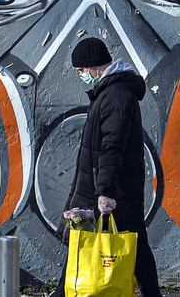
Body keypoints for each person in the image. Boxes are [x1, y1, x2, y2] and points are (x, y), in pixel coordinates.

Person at [51, 37, 162, 297]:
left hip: (111, 193)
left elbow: (113, 147)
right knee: (87, 243)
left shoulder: (116, 97)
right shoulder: (110, 93)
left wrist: (105, 193)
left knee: (129, 249)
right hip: (104, 189)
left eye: (81, 71)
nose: (81, 76)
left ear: (93, 67)